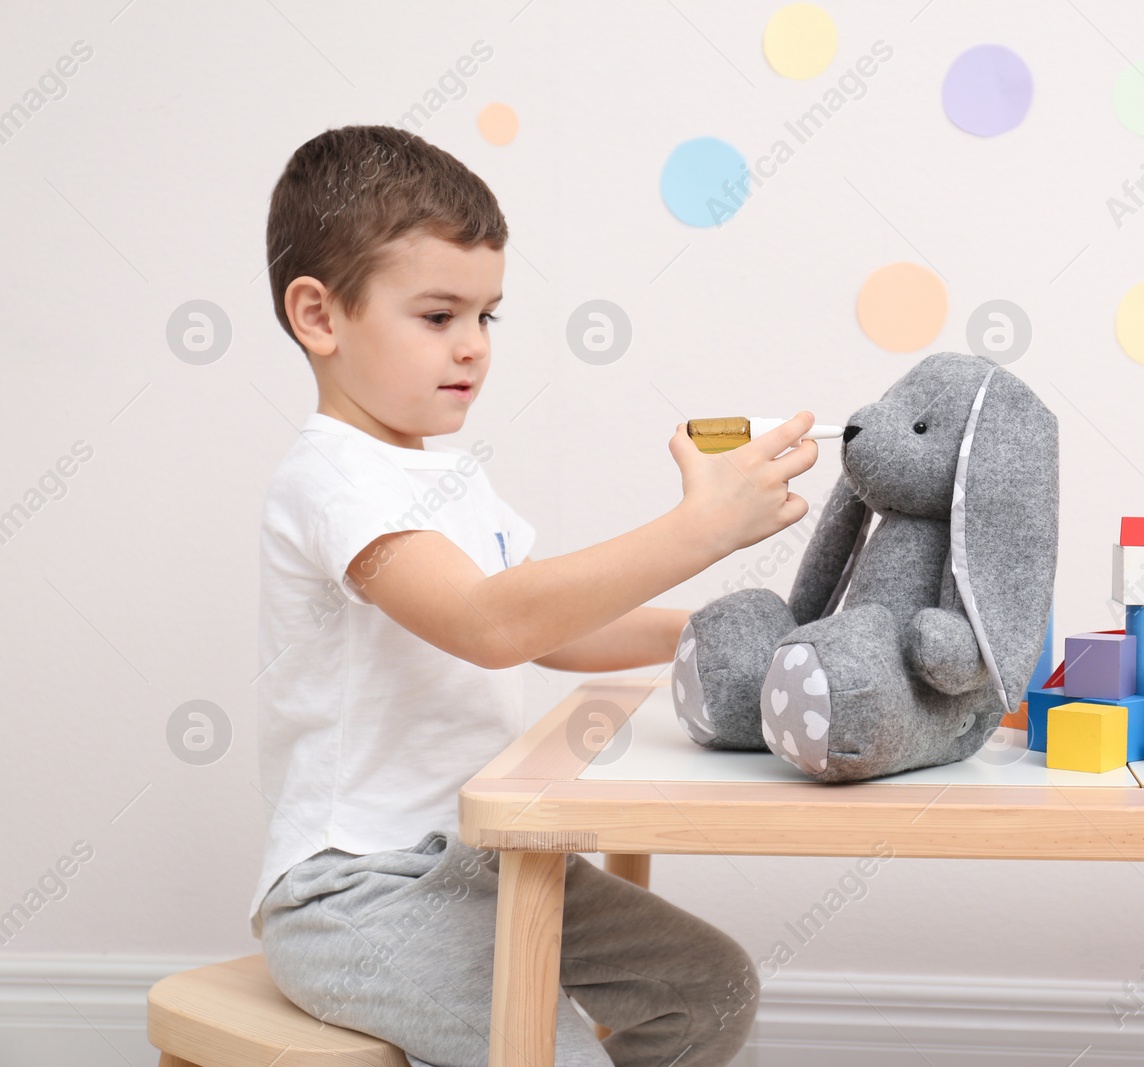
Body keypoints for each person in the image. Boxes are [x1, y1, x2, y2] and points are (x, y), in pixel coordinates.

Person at [249, 123, 816, 1067]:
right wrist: (700, 529)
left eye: (488, 317)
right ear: (319, 316)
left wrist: (730, 631)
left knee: (707, 990)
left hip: (486, 862)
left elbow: (558, 629)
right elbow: (493, 624)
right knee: (546, 1051)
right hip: (354, 897)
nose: (472, 347)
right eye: (438, 316)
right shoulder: (332, 480)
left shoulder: (450, 478)